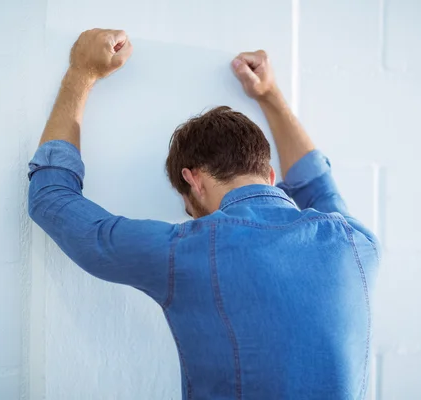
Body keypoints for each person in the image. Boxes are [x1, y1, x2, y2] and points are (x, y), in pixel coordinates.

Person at [29, 28, 380, 400]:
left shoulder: (187, 252)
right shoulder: (356, 243)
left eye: (189, 210)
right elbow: (315, 184)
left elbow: (50, 198)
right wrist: (269, 97)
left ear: (192, 180)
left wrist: (81, 73)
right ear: (272, 177)